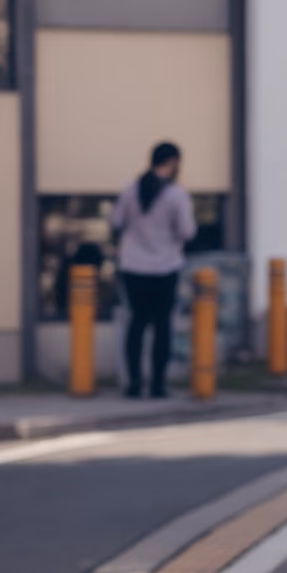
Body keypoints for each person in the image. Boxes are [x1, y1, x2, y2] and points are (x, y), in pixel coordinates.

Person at [110, 141, 197, 400]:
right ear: (172, 162)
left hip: (133, 266)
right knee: (162, 327)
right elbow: (187, 231)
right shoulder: (176, 195)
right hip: (164, 267)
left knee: (136, 325)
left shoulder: (130, 189)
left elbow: (115, 221)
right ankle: (158, 385)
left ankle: (133, 383)